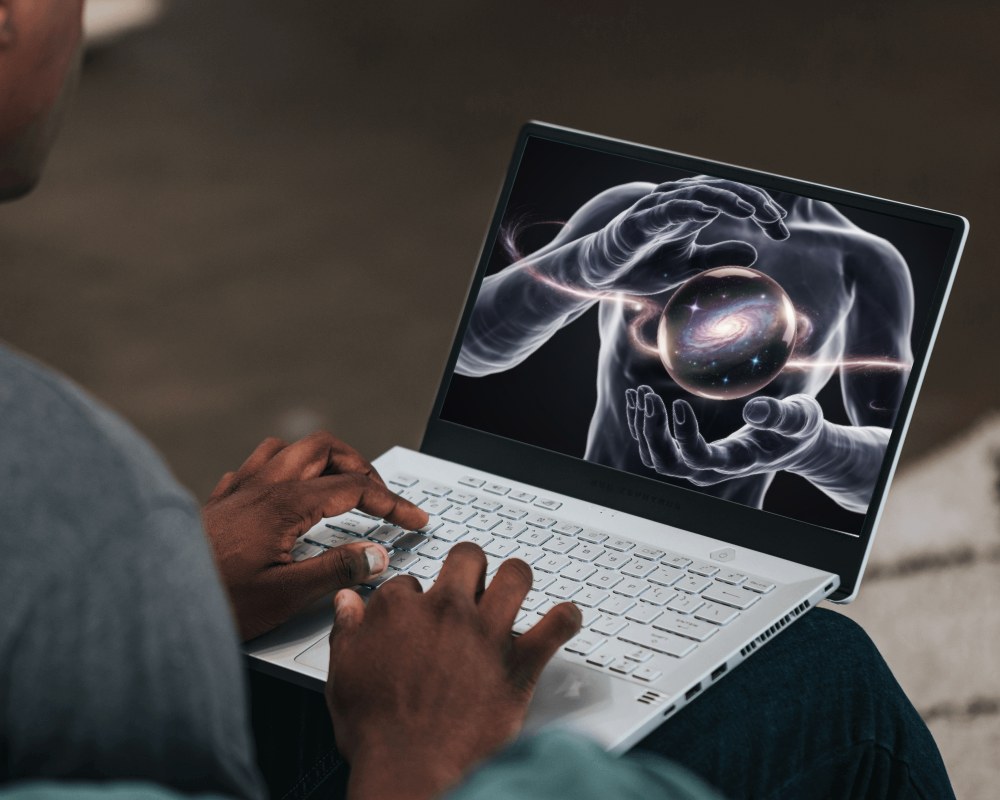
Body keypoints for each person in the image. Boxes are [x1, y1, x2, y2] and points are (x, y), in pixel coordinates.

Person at [0, 2, 956, 799]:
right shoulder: (79, 496)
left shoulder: (861, 267)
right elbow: (498, 351)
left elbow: (856, 454)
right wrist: (417, 750)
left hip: (674, 544)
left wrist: (810, 440)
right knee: (830, 683)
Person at [455, 178, 913, 516]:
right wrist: (590, 263)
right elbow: (468, 352)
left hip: (730, 549)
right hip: (587, 515)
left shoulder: (862, 261)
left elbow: (886, 478)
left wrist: (815, 448)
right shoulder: (643, 212)